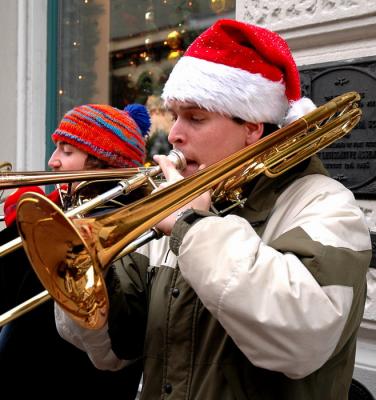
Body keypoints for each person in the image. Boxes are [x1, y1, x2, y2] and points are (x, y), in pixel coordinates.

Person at [55, 19, 372, 399]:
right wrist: (83, 273)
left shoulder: (326, 204)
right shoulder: (180, 207)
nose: (173, 134)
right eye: (174, 116)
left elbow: (303, 337)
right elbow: (116, 350)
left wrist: (194, 228)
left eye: (195, 117)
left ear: (252, 127)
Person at [0, 103, 150, 396]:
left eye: (67, 151)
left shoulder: (115, 223)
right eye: (57, 149)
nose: (52, 161)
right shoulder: (65, 210)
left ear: (103, 162)